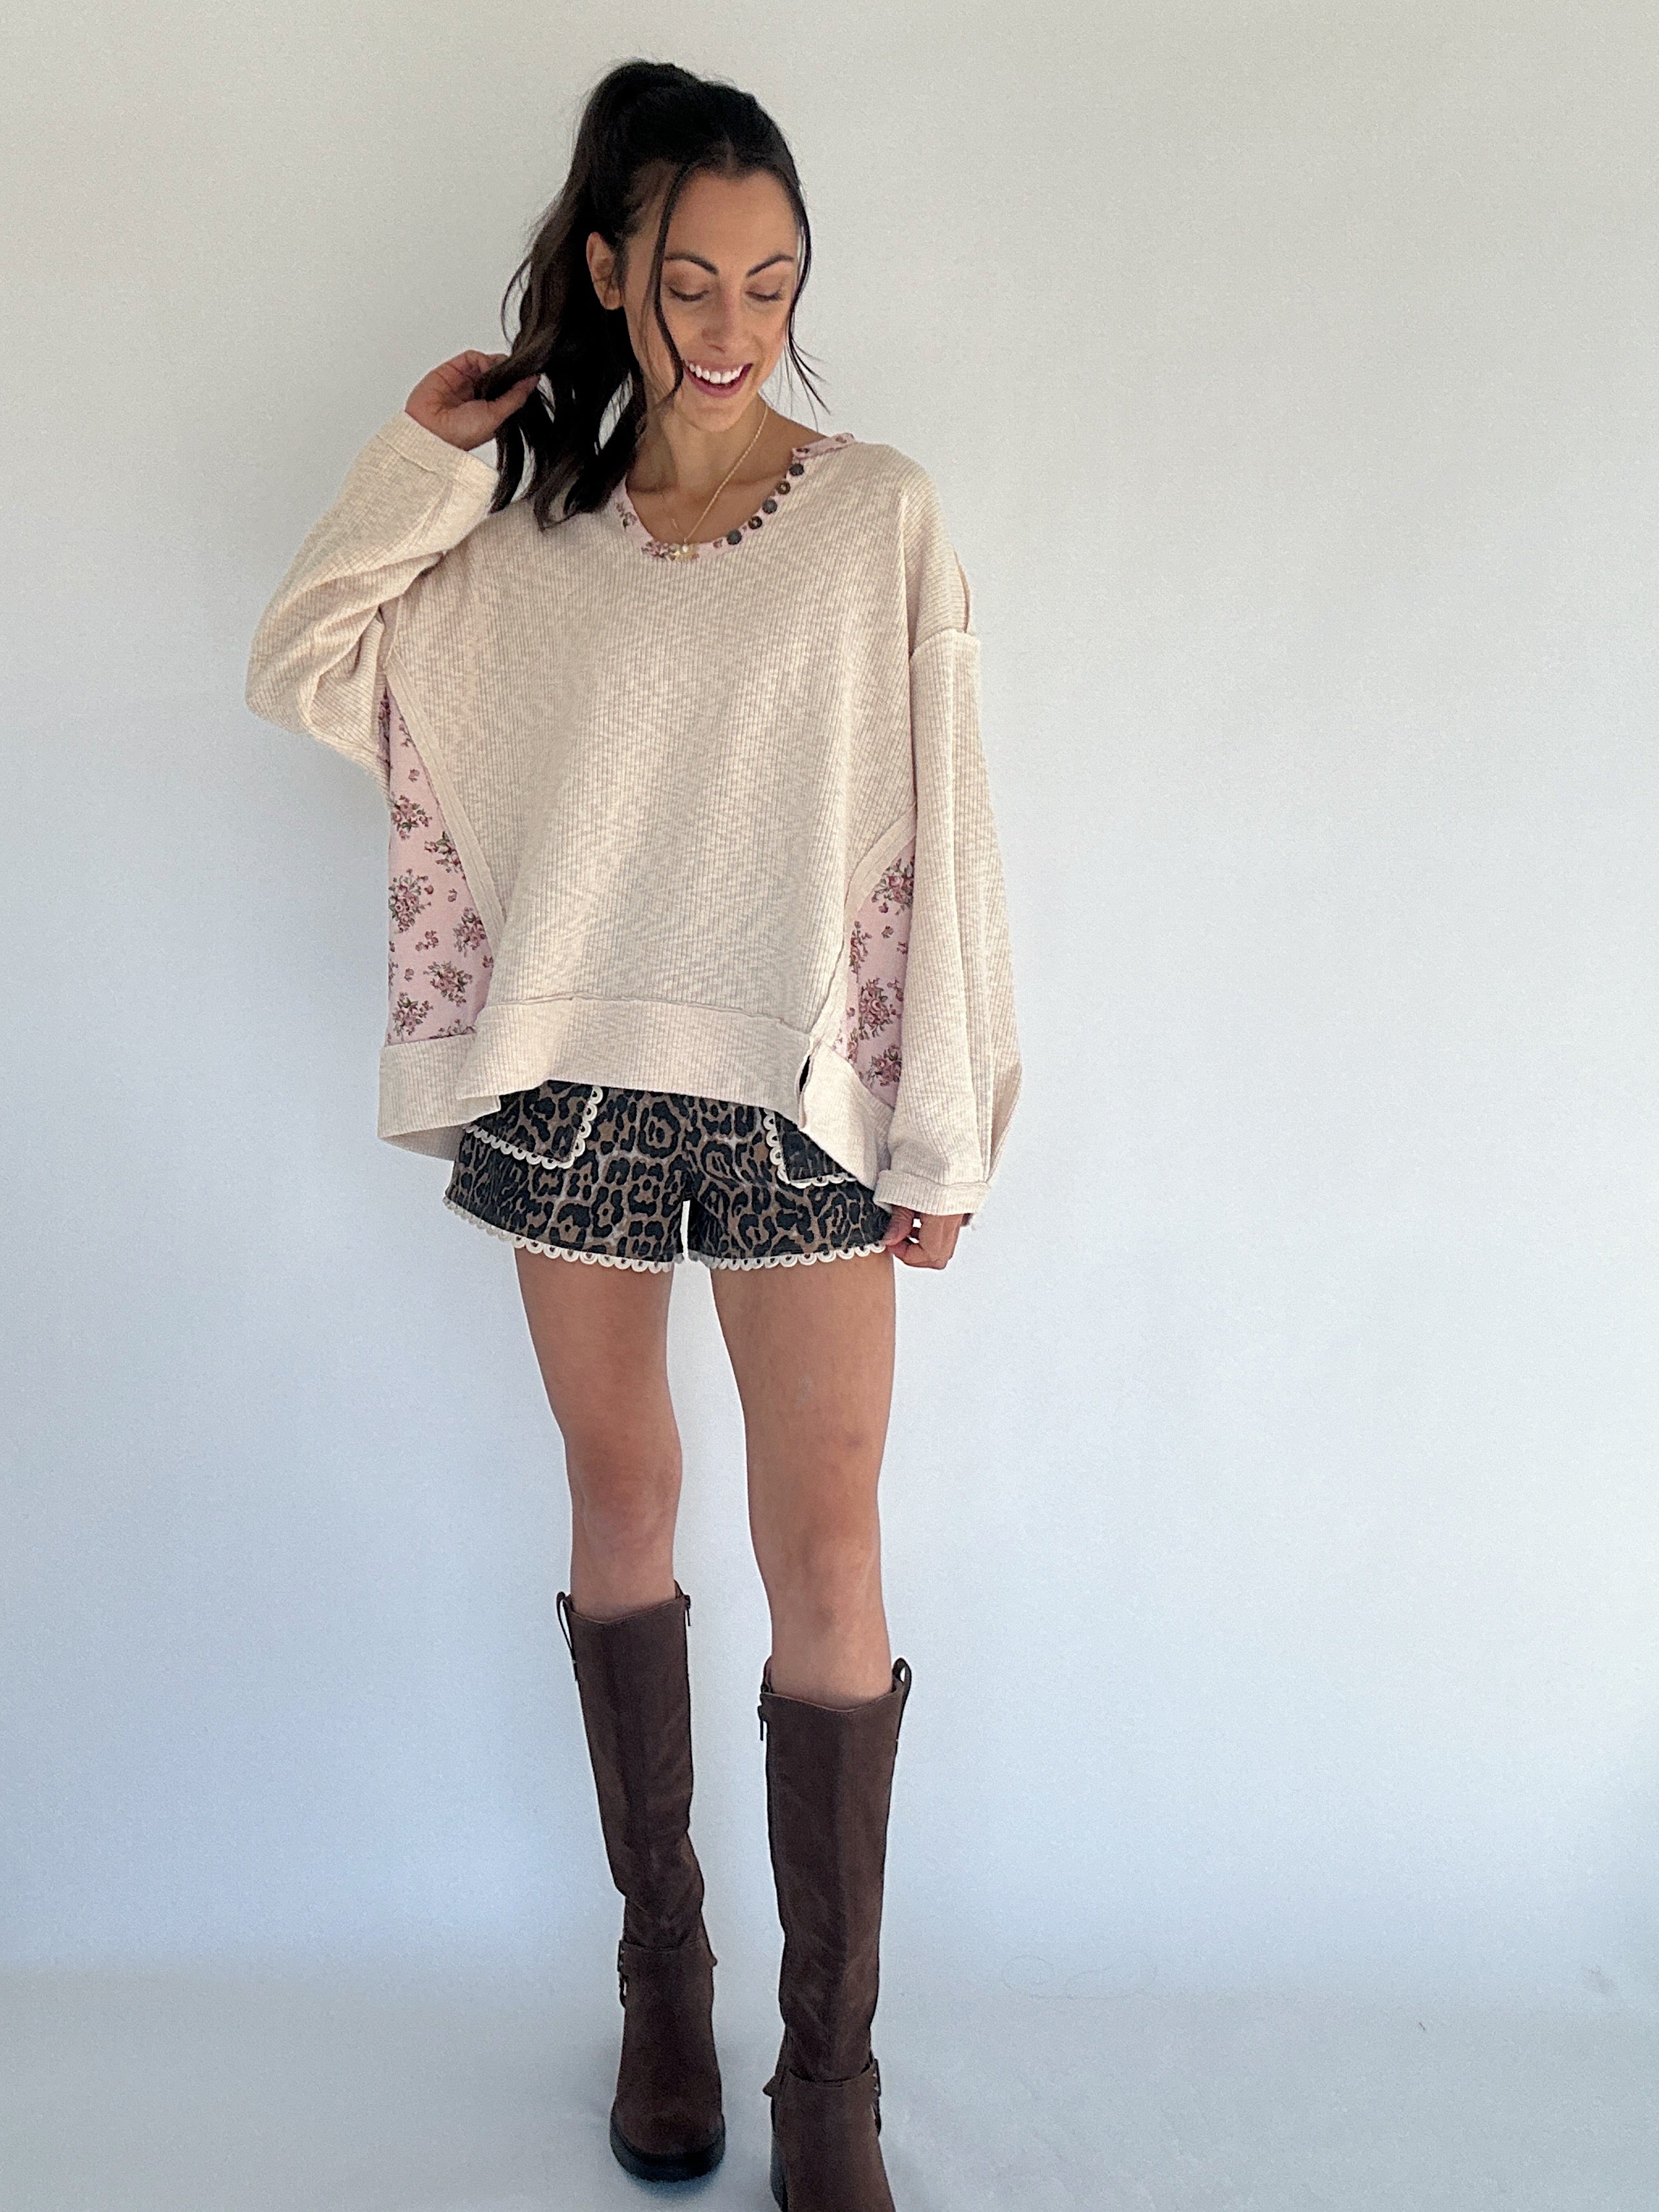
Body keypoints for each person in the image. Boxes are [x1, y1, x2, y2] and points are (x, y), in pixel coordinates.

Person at [244, 57, 1021, 2212]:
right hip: (575, 1073)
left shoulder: (877, 518)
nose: (733, 322)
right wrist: (425, 460)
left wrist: (950, 1122)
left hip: (802, 1094)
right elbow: (305, 661)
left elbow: (948, 822)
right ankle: (663, 1978)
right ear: (610, 271)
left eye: (772, 280)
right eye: (689, 280)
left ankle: (830, 2081)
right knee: (623, 1494)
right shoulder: (522, 544)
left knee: (831, 1543)